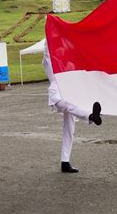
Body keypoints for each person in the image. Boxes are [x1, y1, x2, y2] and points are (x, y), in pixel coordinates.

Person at [42, 40, 103, 173]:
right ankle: (91, 116)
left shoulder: (68, 64)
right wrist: (50, 28)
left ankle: (65, 162)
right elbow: (47, 50)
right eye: (59, 49)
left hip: (69, 93)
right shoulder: (50, 63)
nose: (61, 51)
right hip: (57, 94)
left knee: (69, 129)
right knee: (70, 106)